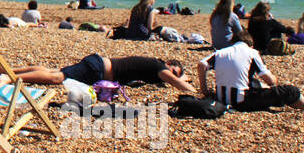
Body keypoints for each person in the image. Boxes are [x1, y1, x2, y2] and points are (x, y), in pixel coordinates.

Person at [196, 31, 304, 110]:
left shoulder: (221, 53)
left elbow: (202, 65)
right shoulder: (252, 53)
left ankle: (303, 100)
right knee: (290, 91)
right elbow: (270, 80)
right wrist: (274, 79)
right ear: (250, 43)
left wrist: (205, 89)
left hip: (222, 98)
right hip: (243, 102)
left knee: (255, 83)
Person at [16, 53, 197, 96]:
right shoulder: (159, 67)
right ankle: (13, 77)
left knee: (55, 72)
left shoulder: (154, 67)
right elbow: (174, 81)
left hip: (97, 65)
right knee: (57, 78)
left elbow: (177, 79)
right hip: (98, 69)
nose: (172, 74)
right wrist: (195, 92)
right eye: (174, 70)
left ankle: (12, 71)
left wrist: (183, 78)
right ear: (168, 64)